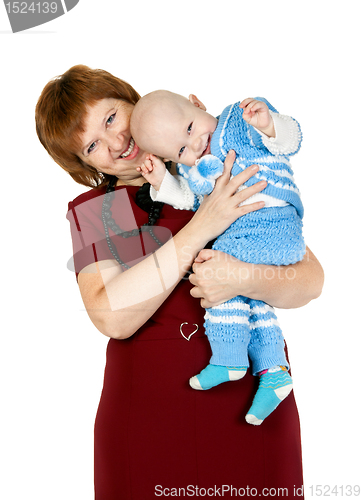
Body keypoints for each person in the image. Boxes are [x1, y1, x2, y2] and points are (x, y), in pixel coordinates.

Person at [35, 65, 324, 499]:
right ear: (82, 165)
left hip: (254, 407)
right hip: (150, 422)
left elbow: (310, 280)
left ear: (134, 101)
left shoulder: (215, 167)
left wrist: (242, 277)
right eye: (92, 145)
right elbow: (112, 317)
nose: (117, 143)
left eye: (112, 117)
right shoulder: (97, 209)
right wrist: (203, 226)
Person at [130, 90, 306, 425]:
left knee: (217, 271)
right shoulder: (197, 169)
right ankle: (274, 372)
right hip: (250, 236)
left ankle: (229, 357)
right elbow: (190, 200)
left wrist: (269, 124)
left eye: (190, 127)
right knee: (252, 299)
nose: (195, 144)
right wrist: (162, 181)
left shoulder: (239, 120)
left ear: (197, 103)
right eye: (181, 150)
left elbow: (290, 141)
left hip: (272, 224)